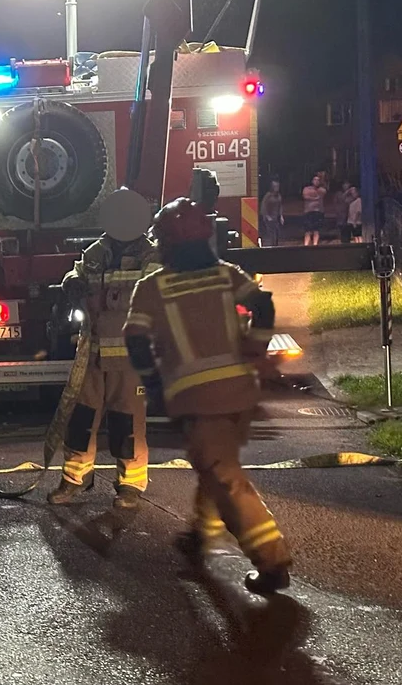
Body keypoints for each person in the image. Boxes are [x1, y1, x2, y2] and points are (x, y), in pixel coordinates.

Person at [123, 198, 292, 594]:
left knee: (225, 478)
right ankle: (201, 534)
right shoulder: (226, 274)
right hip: (240, 395)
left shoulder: (151, 288)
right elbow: (263, 305)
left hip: (197, 400)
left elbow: (135, 341)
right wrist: (255, 348)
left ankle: (273, 560)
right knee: (215, 465)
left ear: (166, 243)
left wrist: (153, 383)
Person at [49, 189, 159, 510]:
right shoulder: (98, 251)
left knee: (127, 422)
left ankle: (130, 486)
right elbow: (79, 272)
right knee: (80, 418)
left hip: (129, 357)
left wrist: (107, 300)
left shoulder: (151, 256)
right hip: (92, 353)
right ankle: (73, 480)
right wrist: (71, 281)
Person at [301, 175, 327, 246]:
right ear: (312, 181)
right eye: (315, 180)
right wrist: (315, 198)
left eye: (318, 180)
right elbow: (305, 196)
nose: (316, 181)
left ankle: (315, 245)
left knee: (316, 230)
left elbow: (322, 193)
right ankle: (306, 245)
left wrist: (314, 195)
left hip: (318, 212)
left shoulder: (322, 189)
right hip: (308, 212)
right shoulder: (306, 189)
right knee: (308, 230)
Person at [260, 180, 283, 246]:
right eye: (275, 186)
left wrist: (281, 216)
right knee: (271, 233)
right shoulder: (268, 196)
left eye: (278, 186)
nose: (277, 188)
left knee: (277, 232)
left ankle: (275, 245)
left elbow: (280, 205)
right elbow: (264, 206)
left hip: (276, 217)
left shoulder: (278, 195)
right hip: (269, 217)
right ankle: (272, 246)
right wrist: (267, 216)